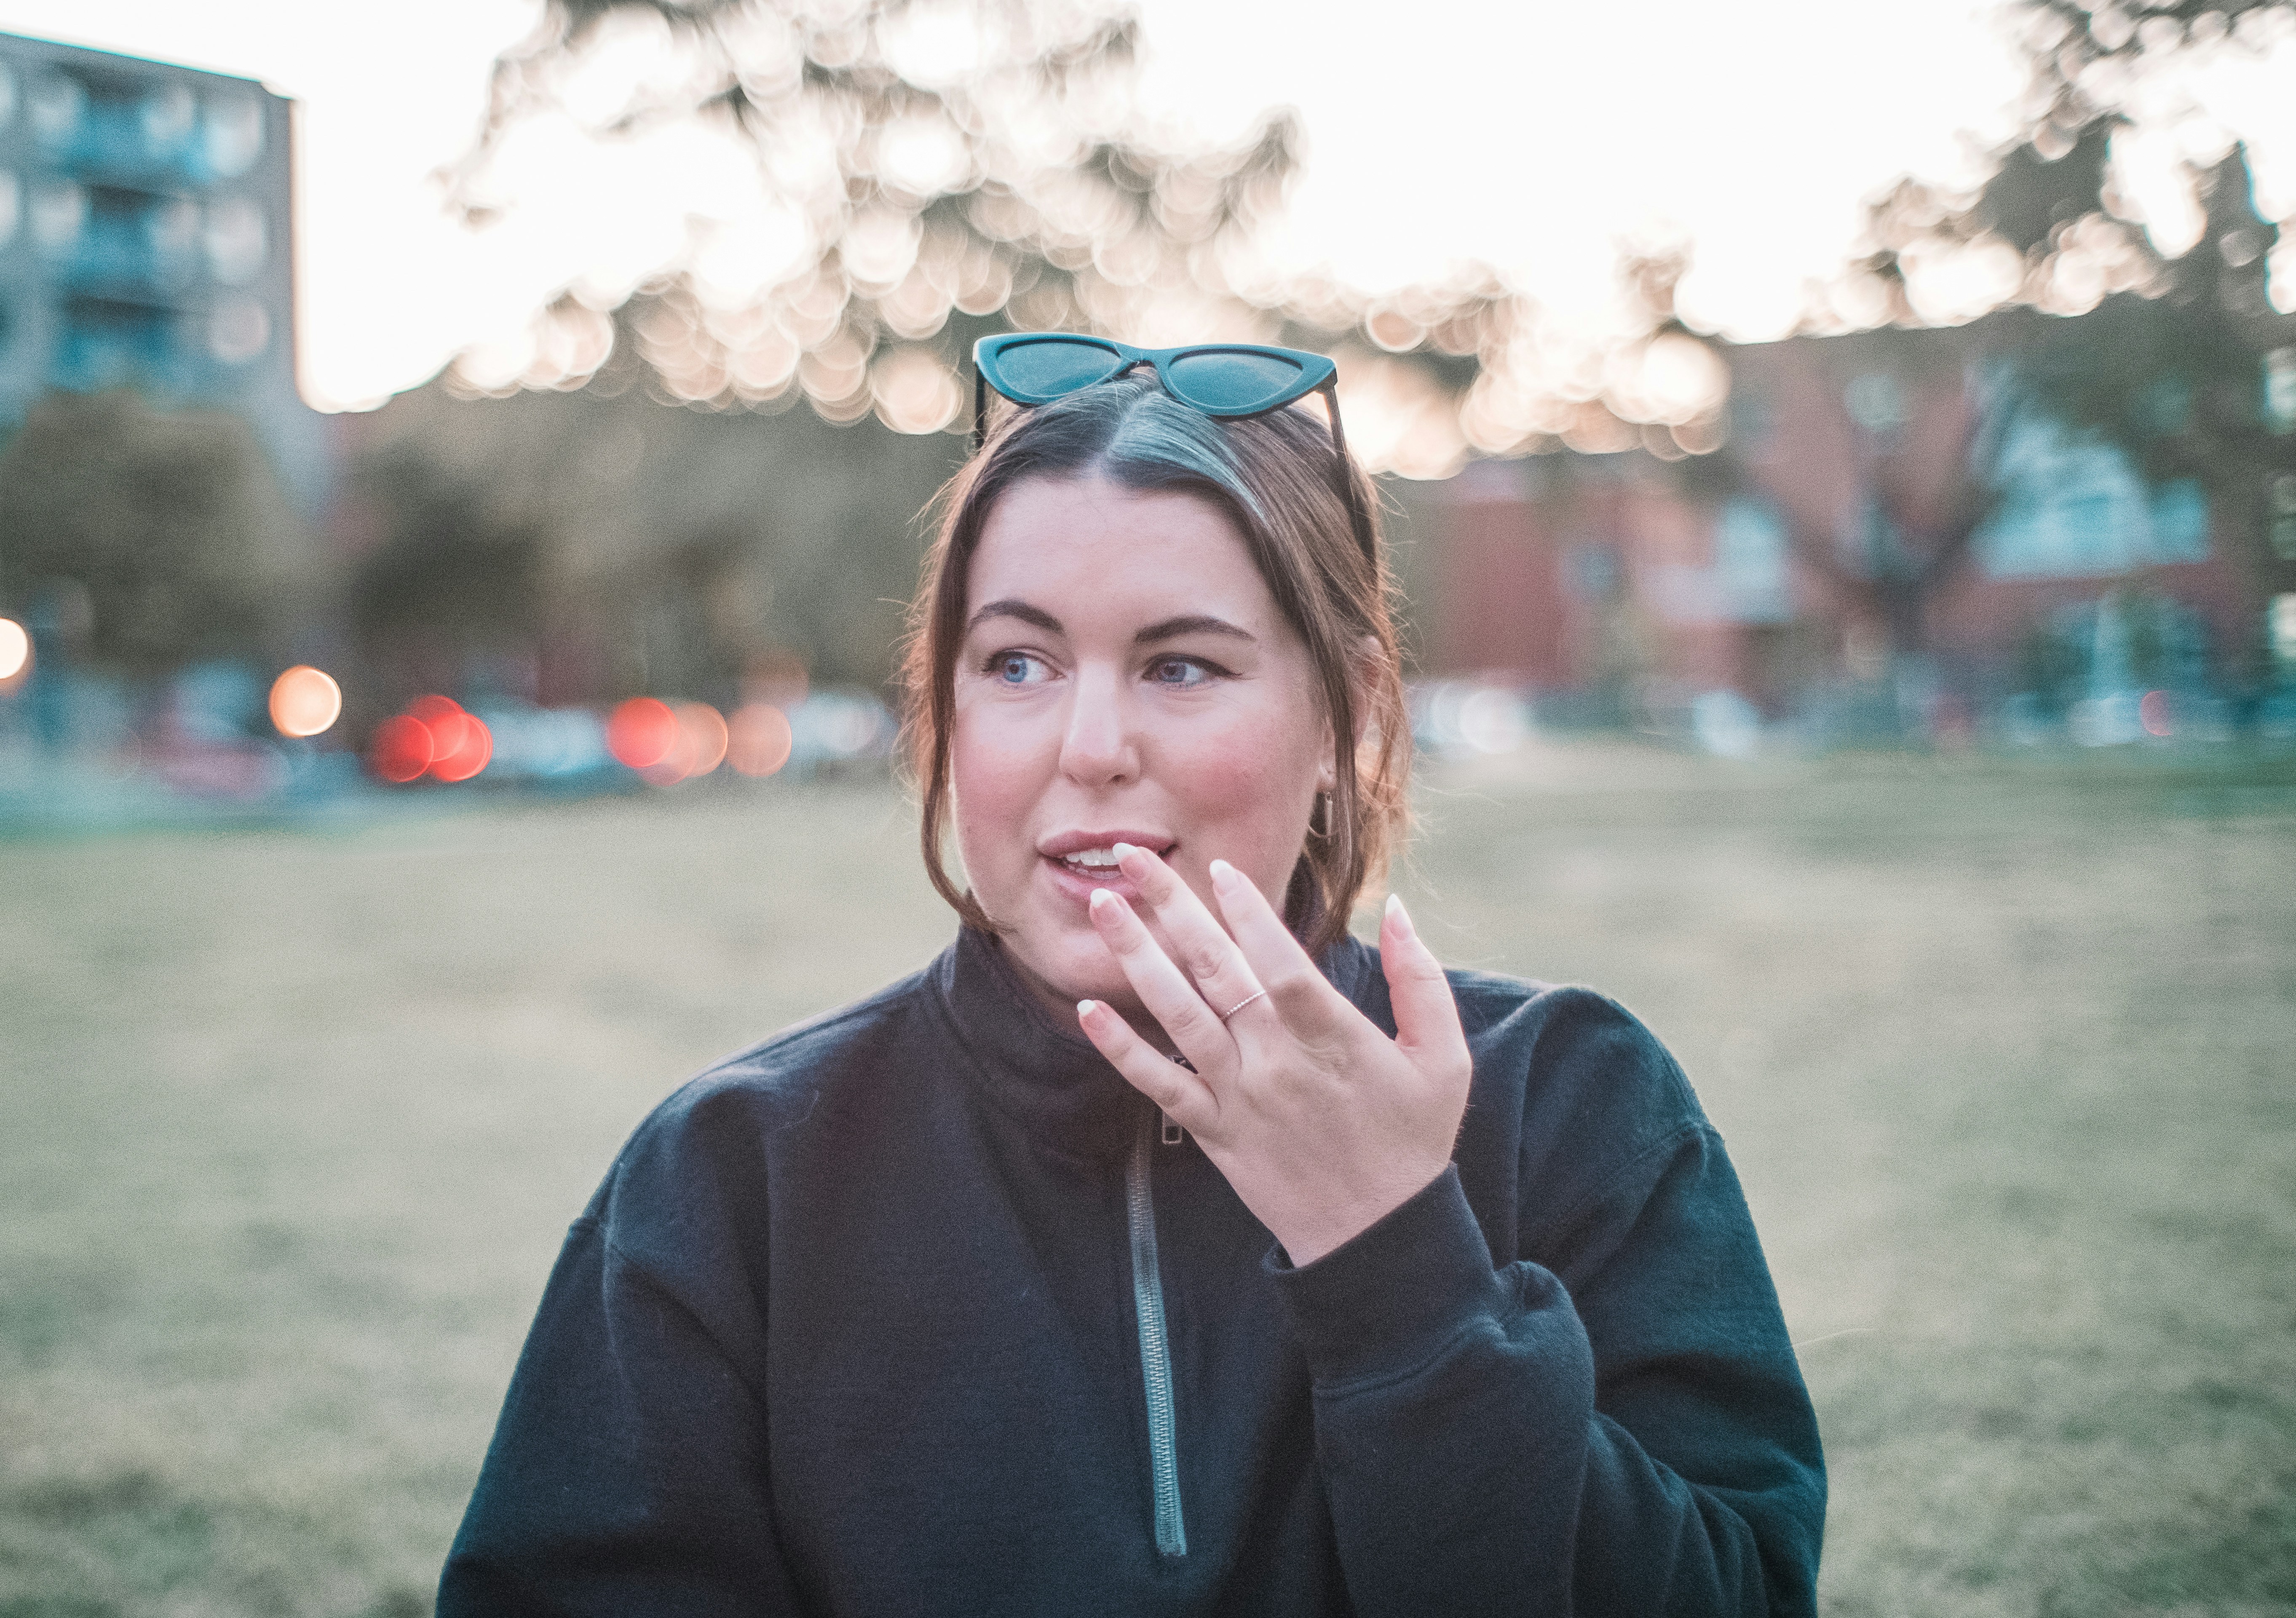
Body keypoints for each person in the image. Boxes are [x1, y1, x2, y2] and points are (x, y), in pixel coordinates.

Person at [439, 338, 1826, 1615]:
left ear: (1351, 715)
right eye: (1020, 661)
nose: (1086, 745)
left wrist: (1399, 1262)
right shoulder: (732, 1177)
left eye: (1179, 664)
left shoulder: (1575, 1103)